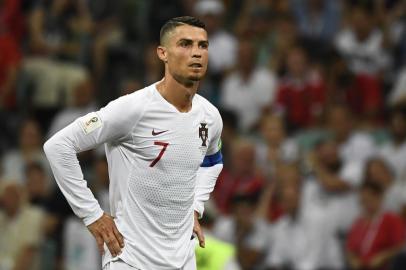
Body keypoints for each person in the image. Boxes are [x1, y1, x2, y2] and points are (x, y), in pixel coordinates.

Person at [44, 16, 223, 270]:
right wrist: (92, 214)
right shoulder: (133, 108)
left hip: (183, 260)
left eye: (202, 46)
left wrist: (196, 206)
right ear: (163, 53)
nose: (196, 53)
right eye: (185, 44)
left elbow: (213, 161)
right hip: (130, 259)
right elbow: (58, 146)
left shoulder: (210, 116)